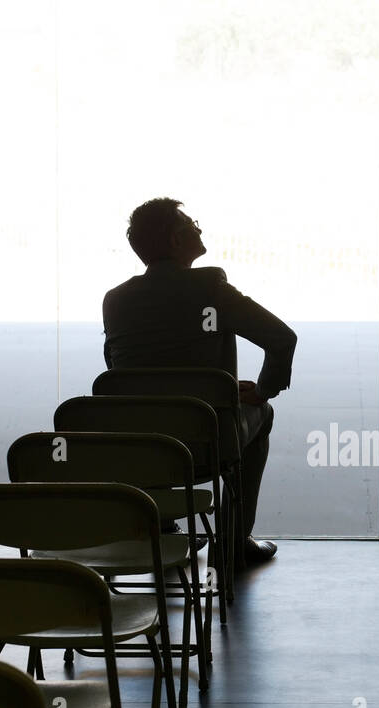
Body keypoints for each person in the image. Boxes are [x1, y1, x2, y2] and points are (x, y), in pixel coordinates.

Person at [103, 198, 298, 567]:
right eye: (192, 222)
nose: (199, 227)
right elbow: (282, 338)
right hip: (207, 444)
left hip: (139, 447)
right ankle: (232, 542)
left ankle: (162, 526)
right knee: (264, 414)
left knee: (150, 411)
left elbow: (116, 371)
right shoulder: (211, 288)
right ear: (176, 240)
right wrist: (261, 390)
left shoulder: (115, 301)